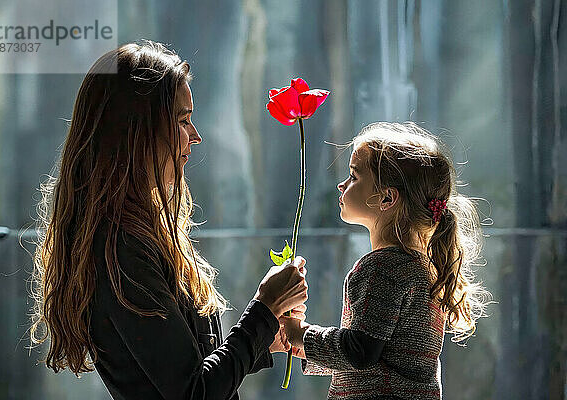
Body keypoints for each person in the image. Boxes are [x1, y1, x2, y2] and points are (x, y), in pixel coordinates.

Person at [28, 40, 308, 400]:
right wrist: (264, 307)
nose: (196, 136)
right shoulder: (121, 247)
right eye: (183, 120)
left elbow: (185, 368)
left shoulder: (139, 230)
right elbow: (193, 392)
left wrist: (265, 337)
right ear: (137, 130)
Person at [280, 122, 491, 400]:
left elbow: (360, 352)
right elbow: (380, 359)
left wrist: (300, 334)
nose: (341, 185)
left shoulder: (381, 268)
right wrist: (298, 344)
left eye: (354, 177)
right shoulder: (422, 266)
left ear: (386, 198)